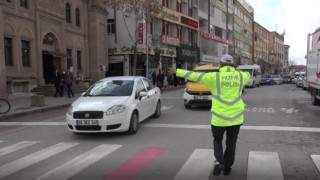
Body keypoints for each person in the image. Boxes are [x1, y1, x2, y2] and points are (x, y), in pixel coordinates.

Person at [168, 54, 250, 176]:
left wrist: (177, 71)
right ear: (233, 65)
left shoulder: (213, 77)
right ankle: (227, 168)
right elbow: (248, 75)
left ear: (220, 65)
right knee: (231, 143)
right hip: (235, 118)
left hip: (218, 118)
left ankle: (219, 162)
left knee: (217, 140)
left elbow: (194, 75)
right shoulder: (241, 76)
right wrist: (235, 71)